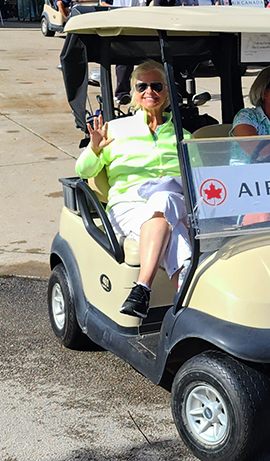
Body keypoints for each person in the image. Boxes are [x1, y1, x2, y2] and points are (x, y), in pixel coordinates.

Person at [73, 60, 190, 319]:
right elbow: (83, 171)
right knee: (177, 232)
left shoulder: (182, 135)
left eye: (157, 86)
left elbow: (199, 178)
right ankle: (188, 306)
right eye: (142, 86)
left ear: (167, 92)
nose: (150, 91)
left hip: (177, 203)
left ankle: (142, 290)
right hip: (128, 205)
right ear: (134, 93)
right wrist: (94, 149)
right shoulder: (115, 129)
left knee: (166, 200)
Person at [111, 0, 143, 105]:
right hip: (127, 30)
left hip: (119, 27)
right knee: (125, 64)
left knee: (123, 64)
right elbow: (131, 12)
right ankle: (122, 93)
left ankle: (121, 92)